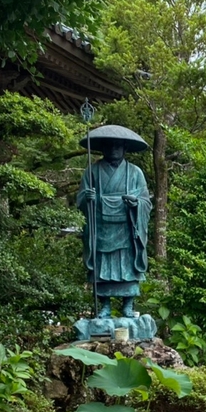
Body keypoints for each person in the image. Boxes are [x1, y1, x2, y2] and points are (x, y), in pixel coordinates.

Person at [76, 126, 152, 318]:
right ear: (102, 148)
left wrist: (136, 203)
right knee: (103, 268)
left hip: (127, 227)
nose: (114, 149)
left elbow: (146, 201)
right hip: (101, 226)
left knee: (127, 267)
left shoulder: (135, 172)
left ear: (125, 148)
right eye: (109, 146)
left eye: (118, 146)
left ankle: (128, 305)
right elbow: (80, 200)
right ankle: (105, 306)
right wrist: (88, 198)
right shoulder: (92, 171)